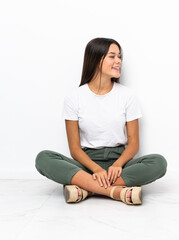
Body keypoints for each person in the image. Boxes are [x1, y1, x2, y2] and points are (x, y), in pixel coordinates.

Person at [35, 38, 167, 205]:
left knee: (158, 162)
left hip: (119, 165)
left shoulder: (128, 96)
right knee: (43, 158)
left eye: (119, 56)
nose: (118, 61)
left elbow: (134, 144)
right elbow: (75, 149)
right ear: (97, 60)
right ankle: (116, 192)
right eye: (112, 56)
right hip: (87, 164)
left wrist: (118, 165)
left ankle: (86, 188)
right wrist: (96, 169)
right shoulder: (74, 98)